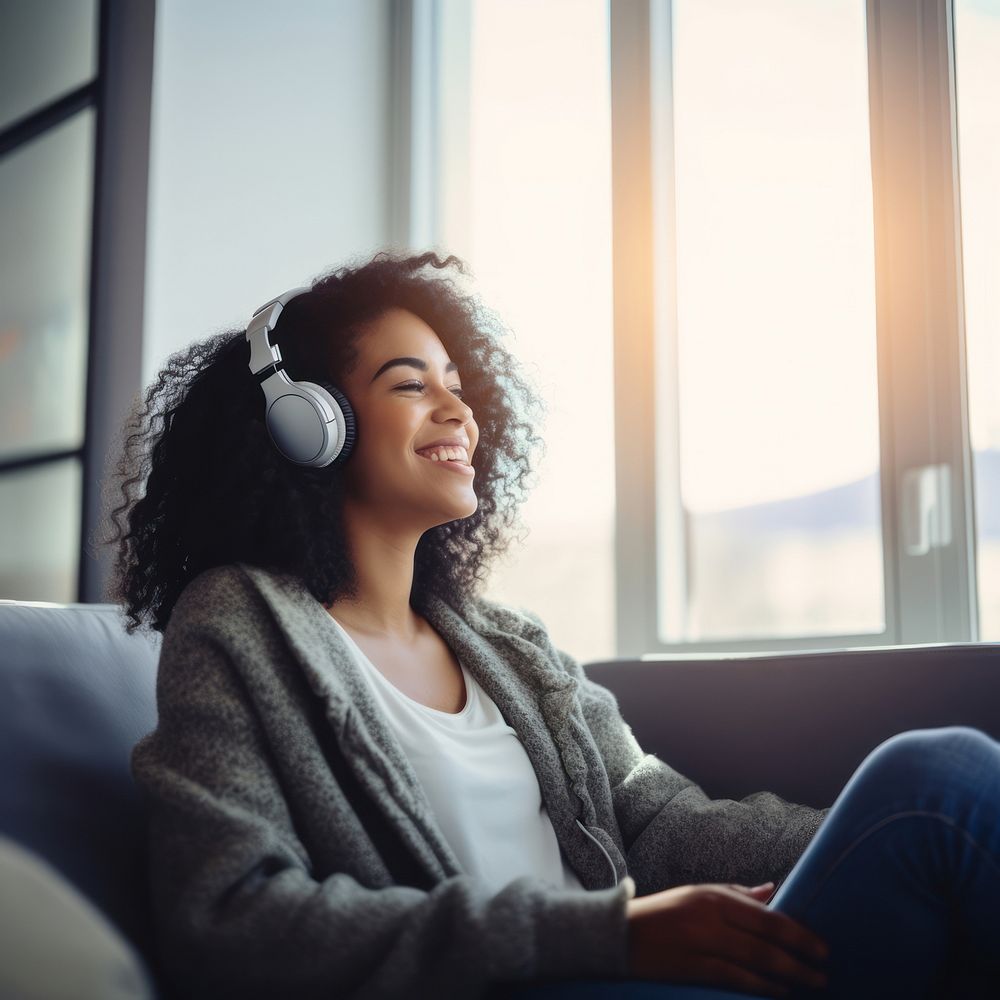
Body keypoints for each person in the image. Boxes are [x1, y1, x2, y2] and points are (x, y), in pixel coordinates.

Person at [112, 250, 999, 1000]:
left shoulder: (508, 645)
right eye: (409, 385)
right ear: (312, 428)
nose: (458, 412)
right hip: (552, 981)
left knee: (928, 800)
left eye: (458, 386)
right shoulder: (241, 623)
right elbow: (230, 920)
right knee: (935, 776)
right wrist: (603, 934)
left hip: (630, 972)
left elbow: (655, 825)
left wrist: (843, 843)